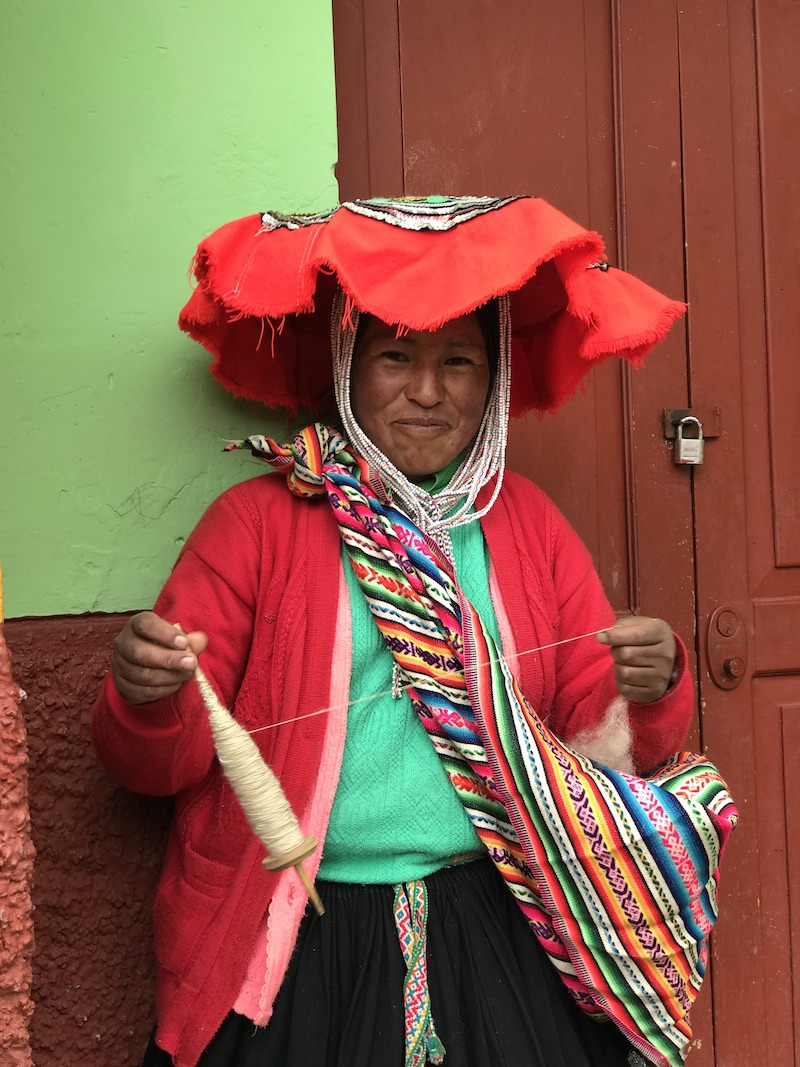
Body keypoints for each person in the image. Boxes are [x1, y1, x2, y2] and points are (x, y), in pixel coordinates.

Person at [92, 198, 693, 1067]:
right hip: (301, 932)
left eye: (459, 361)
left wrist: (652, 684)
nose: (427, 390)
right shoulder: (256, 526)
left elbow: (594, 745)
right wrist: (147, 697)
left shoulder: (522, 524)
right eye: (395, 357)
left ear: (494, 381)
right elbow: (158, 762)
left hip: (500, 921)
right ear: (344, 367)